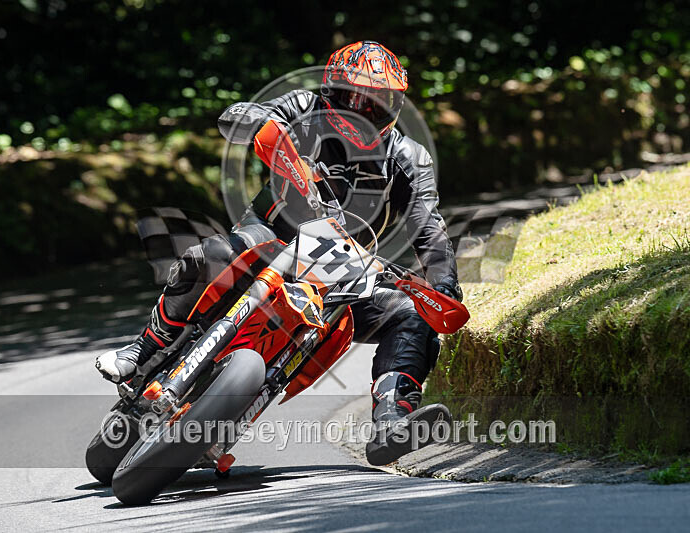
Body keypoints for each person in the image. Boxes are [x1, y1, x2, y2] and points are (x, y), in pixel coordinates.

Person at [96, 41, 461, 464]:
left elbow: (428, 227)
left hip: (342, 271)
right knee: (209, 255)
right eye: (352, 98)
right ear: (331, 91)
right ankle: (144, 350)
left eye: (377, 103)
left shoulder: (408, 157)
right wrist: (251, 119)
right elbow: (255, 115)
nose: (363, 111)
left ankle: (393, 420)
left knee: (413, 315)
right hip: (270, 237)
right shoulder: (304, 108)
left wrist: (445, 284)